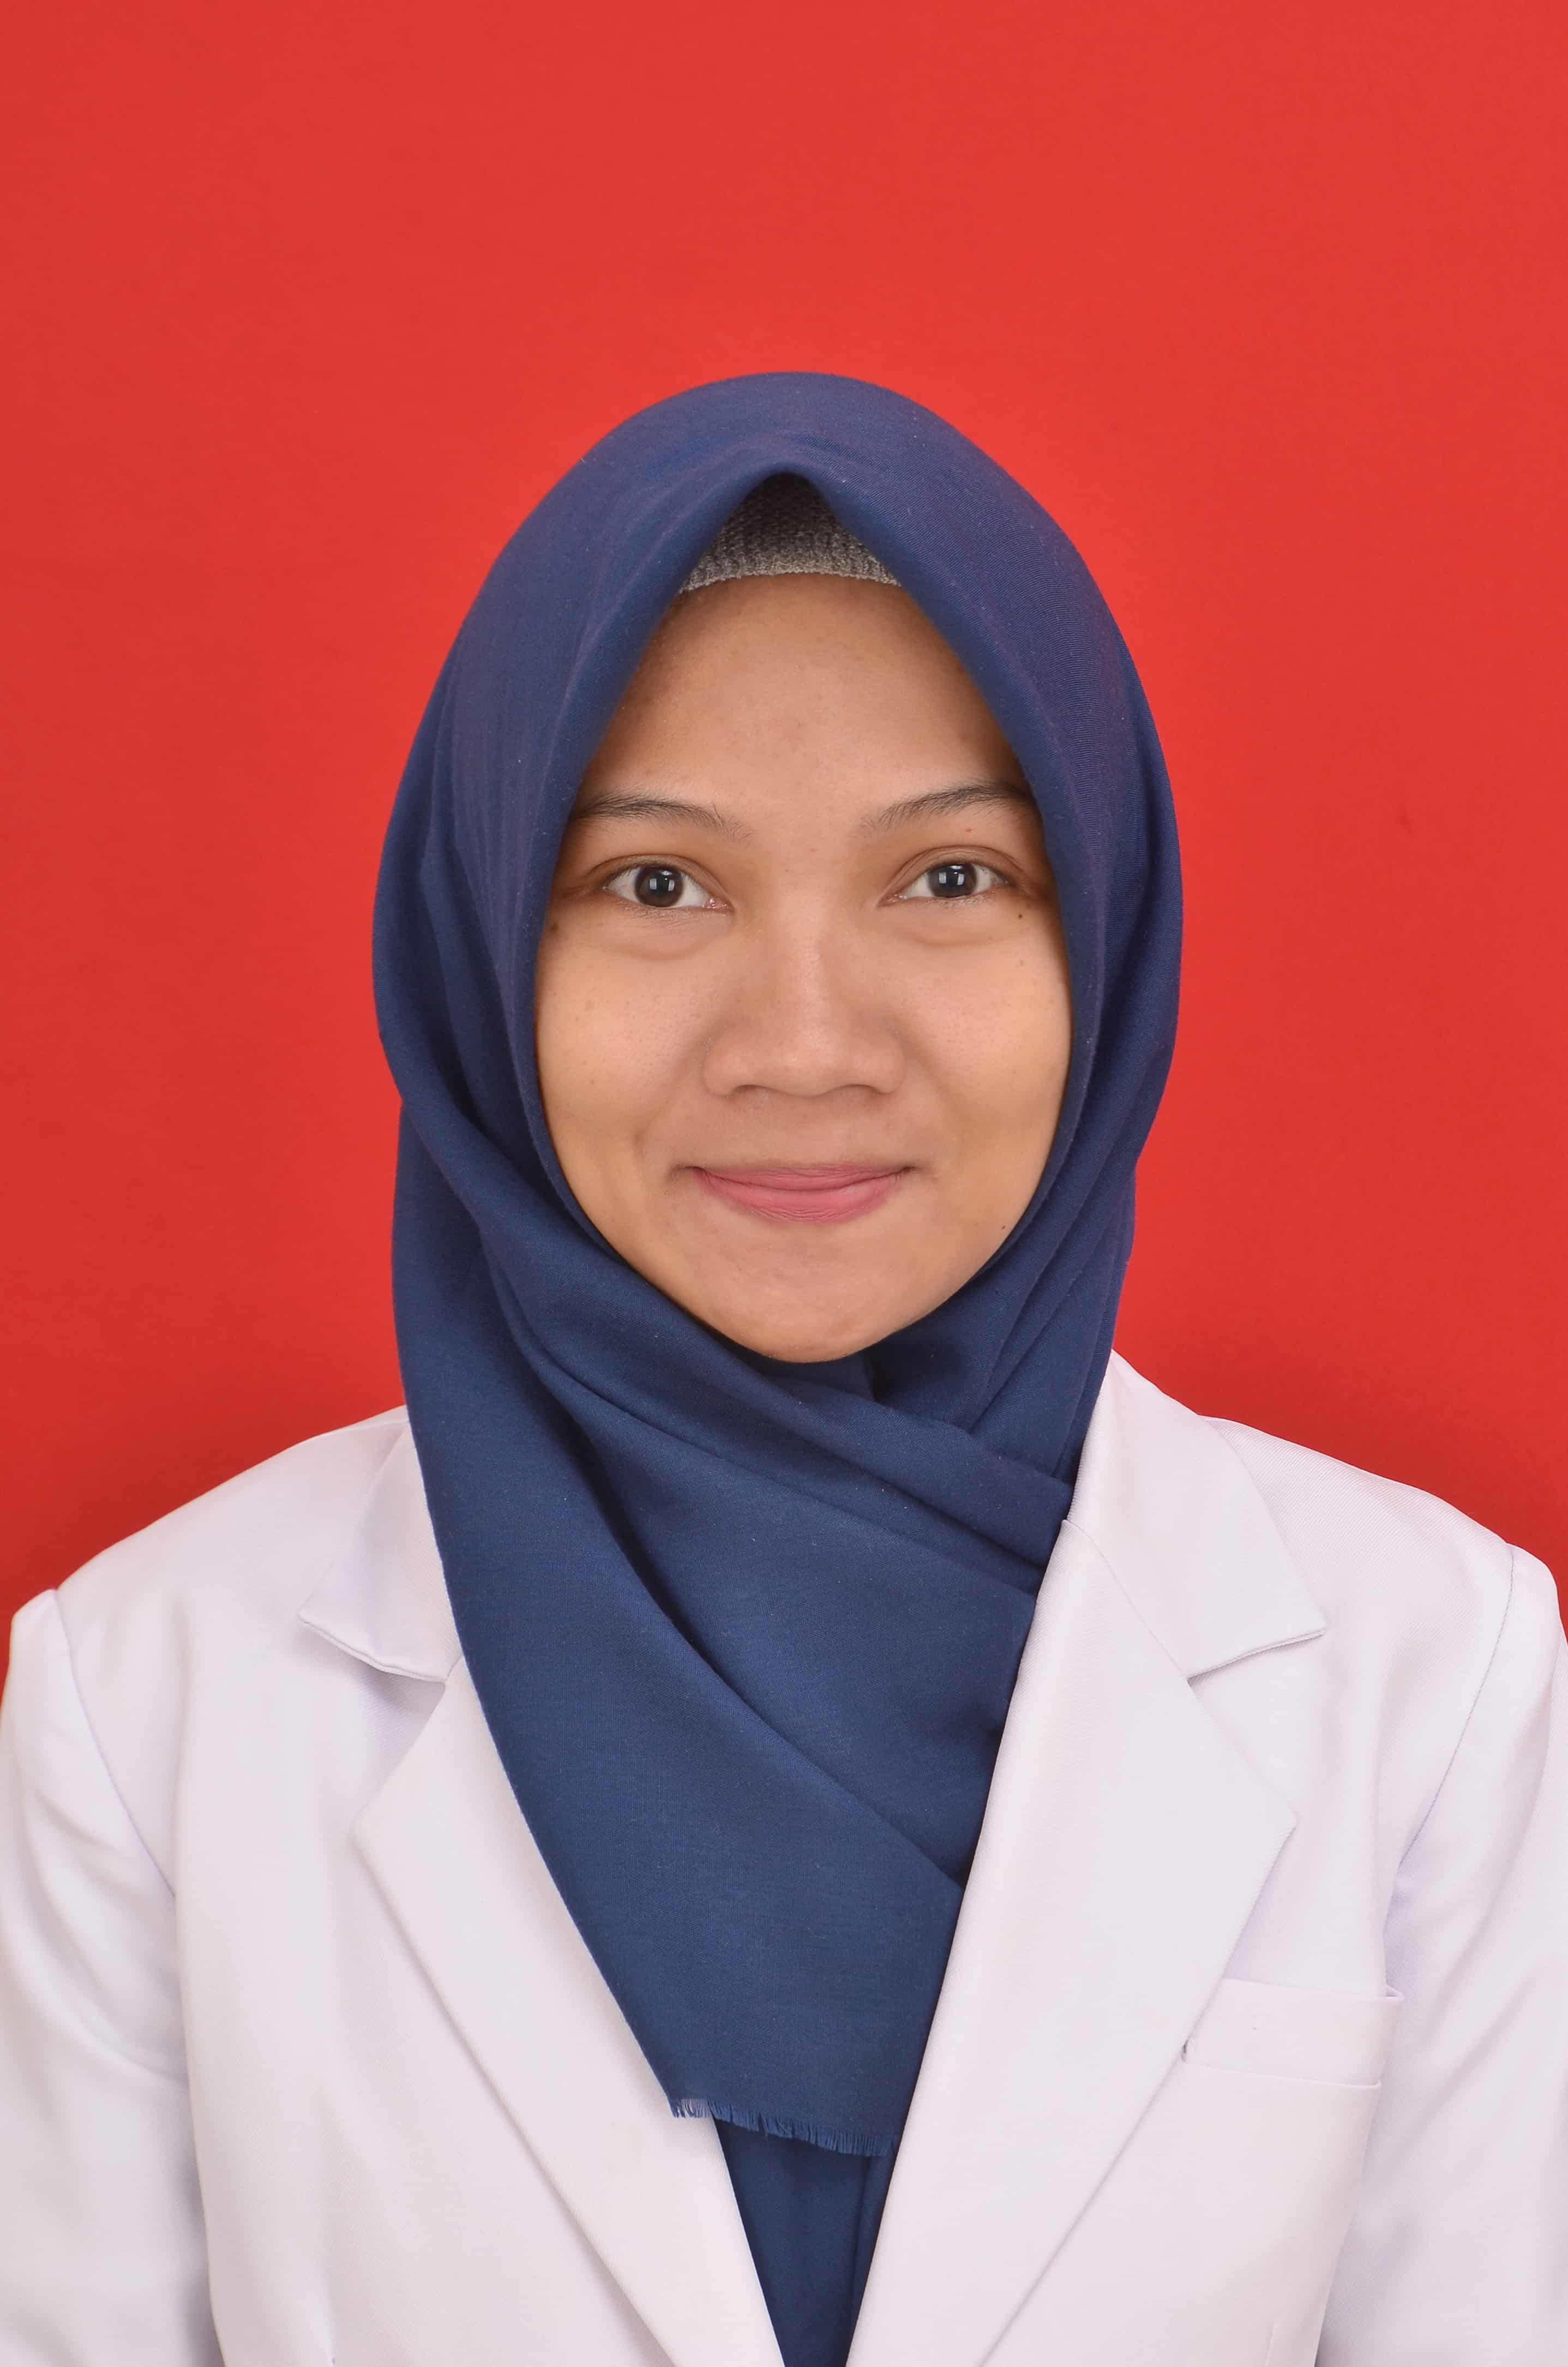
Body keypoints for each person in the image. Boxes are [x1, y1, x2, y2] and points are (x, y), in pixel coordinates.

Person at [1, 374, 1564, 2367]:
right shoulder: (149, 1694)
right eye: (654, 885)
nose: (804, 1044)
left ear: (1107, 938)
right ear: (480, 954)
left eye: (950, 877)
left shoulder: (1431, 1673)